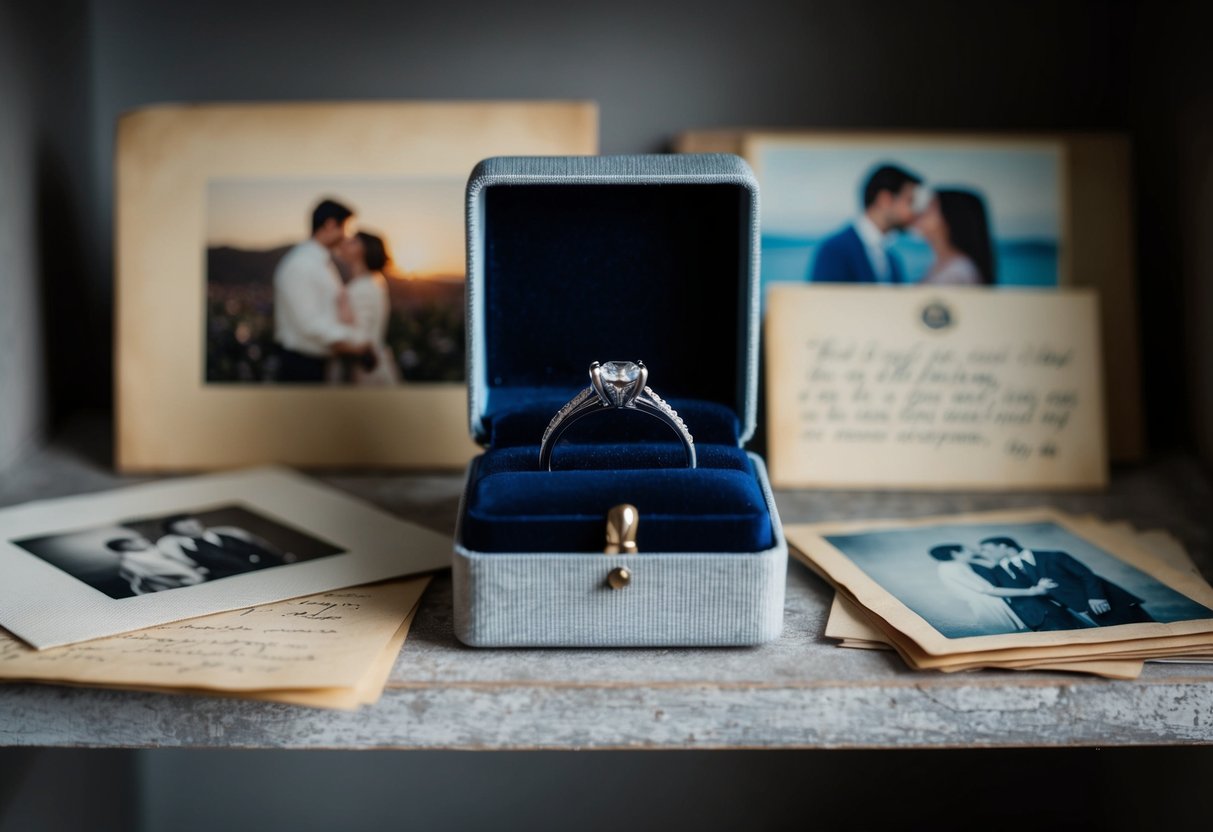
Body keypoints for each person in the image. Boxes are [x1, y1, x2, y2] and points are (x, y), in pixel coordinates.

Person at [272, 198, 374, 383]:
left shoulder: (323, 263)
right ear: (330, 225)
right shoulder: (301, 264)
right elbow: (310, 323)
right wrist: (354, 339)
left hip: (316, 363)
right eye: (345, 228)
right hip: (301, 367)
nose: (346, 236)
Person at [980, 536, 1154, 626]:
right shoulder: (1009, 569)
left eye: (987, 549)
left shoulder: (1054, 556)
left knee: (1148, 630)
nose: (985, 554)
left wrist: (1097, 597)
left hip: (1108, 601)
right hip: (1083, 610)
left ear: (1003, 546)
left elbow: (1086, 575)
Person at [809, 163, 922, 284]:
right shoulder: (834, 251)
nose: (913, 212)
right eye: (909, 202)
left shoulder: (892, 259)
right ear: (885, 199)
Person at [929, 544, 1054, 633]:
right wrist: (1032, 591)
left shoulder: (950, 566)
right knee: (1008, 634)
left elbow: (992, 566)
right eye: (968, 550)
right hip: (990, 606)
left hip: (989, 604)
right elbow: (989, 590)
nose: (972, 552)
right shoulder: (953, 567)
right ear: (954, 553)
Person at [339, 231, 401, 385]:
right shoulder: (376, 280)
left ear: (363, 251)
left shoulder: (363, 287)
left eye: (353, 242)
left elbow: (361, 338)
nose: (344, 243)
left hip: (366, 371)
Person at [156, 515, 293, 582]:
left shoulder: (227, 534)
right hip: (236, 580)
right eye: (182, 524)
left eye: (190, 521)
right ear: (173, 531)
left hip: (272, 573)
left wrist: (282, 560)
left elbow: (260, 549)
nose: (190, 525)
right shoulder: (185, 547)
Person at [915, 188, 996, 285]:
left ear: (949, 217)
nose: (921, 213)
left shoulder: (959, 271)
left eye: (931, 208)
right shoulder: (943, 264)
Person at [107, 535, 209, 595]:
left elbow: (175, 562)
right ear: (124, 547)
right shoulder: (129, 561)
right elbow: (147, 577)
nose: (142, 542)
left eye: (136, 541)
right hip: (176, 587)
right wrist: (178, 585)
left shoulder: (151, 550)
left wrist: (195, 570)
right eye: (132, 543)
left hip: (192, 578)